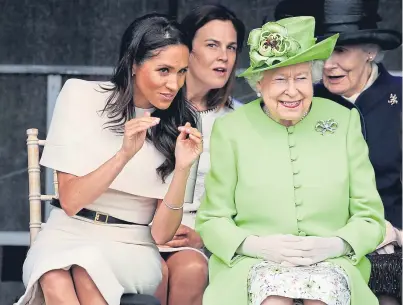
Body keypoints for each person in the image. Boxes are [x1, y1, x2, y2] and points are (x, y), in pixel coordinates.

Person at [196, 16, 385, 305]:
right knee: (273, 299)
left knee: (324, 295)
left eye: (301, 78)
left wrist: (334, 245)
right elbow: (212, 219)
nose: (293, 91)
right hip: (253, 261)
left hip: (332, 260)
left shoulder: (344, 120)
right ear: (259, 84)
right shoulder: (231, 129)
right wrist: (257, 246)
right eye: (280, 79)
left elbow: (370, 217)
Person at [15, 13, 202, 305]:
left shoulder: (180, 122)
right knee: (53, 274)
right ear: (133, 65)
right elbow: (71, 200)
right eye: (163, 70)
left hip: (132, 245)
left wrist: (182, 170)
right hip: (66, 232)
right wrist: (124, 155)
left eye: (181, 72)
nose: (174, 84)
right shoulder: (80, 96)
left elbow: (162, 233)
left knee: (83, 269)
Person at [274, 1, 402, 303]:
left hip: (389, 241)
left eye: (340, 51)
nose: (328, 64)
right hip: (315, 241)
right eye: (322, 51)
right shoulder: (301, 100)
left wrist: (397, 233)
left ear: (370, 51)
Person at [153, 4, 245, 305]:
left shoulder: (241, 120)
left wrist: (205, 237)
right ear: (186, 50)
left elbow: (251, 199)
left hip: (203, 234)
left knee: (192, 268)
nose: (224, 56)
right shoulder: (153, 106)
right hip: (142, 227)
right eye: (212, 45)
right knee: (155, 273)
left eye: (231, 47)